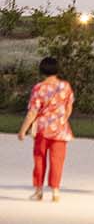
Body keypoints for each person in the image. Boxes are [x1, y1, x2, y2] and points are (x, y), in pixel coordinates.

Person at [19, 56, 75, 201]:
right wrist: (63, 119)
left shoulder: (39, 88)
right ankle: (55, 191)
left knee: (39, 159)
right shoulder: (65, 86)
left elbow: (33, 111)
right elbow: (69, 106)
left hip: (43, 128)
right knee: (57, 160)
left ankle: (39, 190)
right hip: (60, 129)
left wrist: (23, 129)